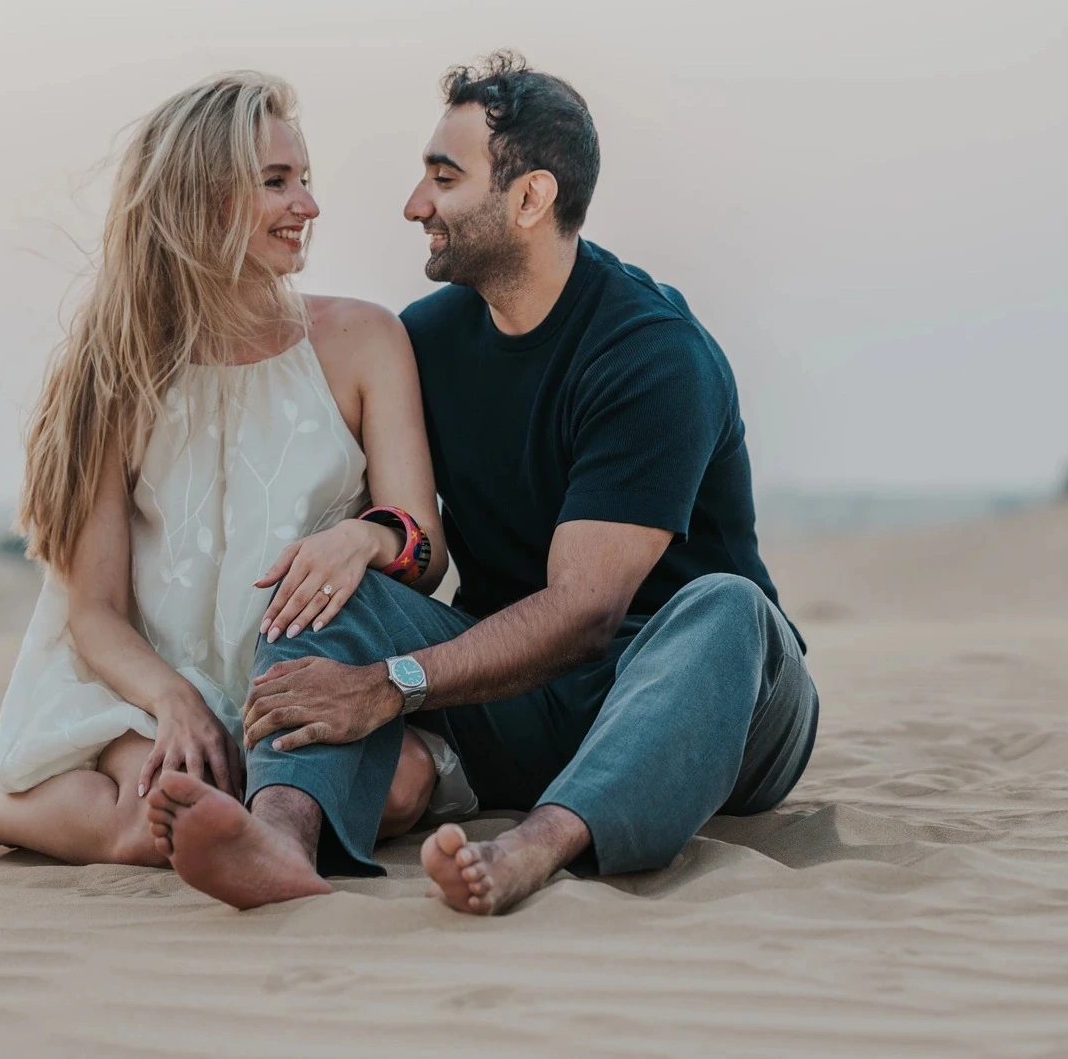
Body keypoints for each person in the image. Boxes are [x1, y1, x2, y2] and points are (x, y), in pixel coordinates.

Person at [147, 52, 820, 914]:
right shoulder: (427, 340)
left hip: (706, 705)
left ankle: (537, 846)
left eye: (444, 177)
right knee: (323, 587)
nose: (414, 204)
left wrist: (390, 685)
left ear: (530, 199)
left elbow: (586, 614)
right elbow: (403, 529)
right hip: (520, 698)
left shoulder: (652, 356)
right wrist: (360, 540)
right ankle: (279, 834)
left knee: (728, 606)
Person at [0, 72, 463, 866]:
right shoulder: (115, 374)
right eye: (276, 181)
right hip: (142, 684)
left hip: (301, 684)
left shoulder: (364, 340)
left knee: (398, 791)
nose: (308, 205)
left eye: (304, 178)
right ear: (201, 199)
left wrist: (367, 539)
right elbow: (95, 611)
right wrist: (174, 702)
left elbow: (424, 554)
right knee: (154, 826)